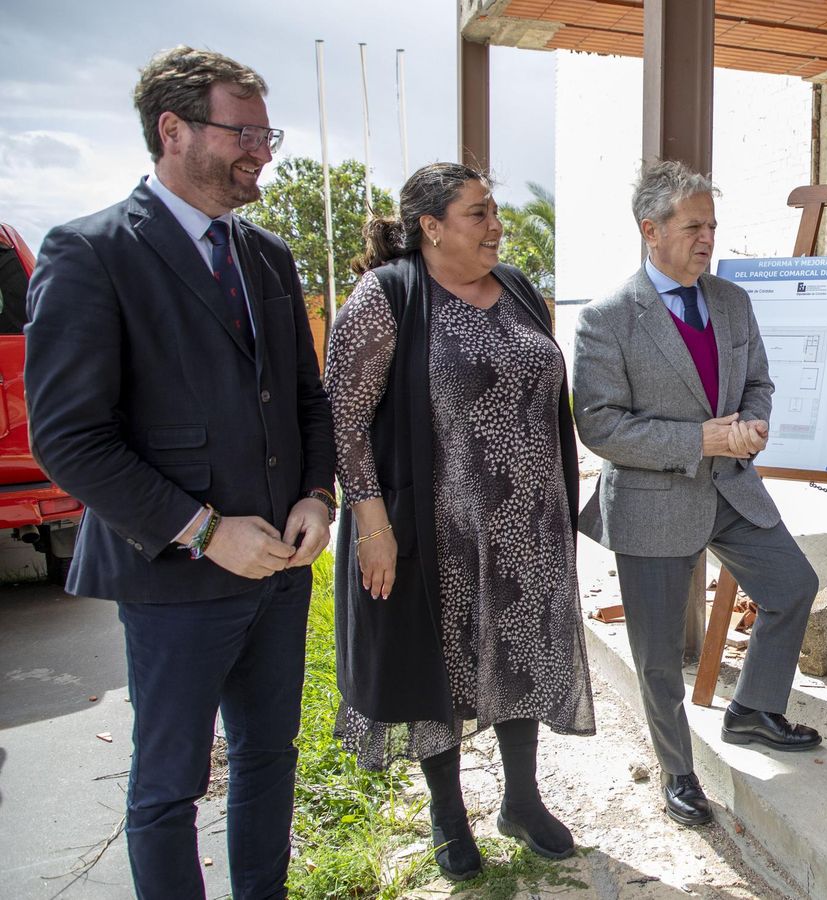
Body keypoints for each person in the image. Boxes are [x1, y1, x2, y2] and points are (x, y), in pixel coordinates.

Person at [23, 47, 334, 900]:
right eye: (245, 132)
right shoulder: (90, 253)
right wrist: (204, 531)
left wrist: (317, 493)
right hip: (173, 580)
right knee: (169, 789)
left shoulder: (266, 255)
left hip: (279, 573)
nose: (263, 152)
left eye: (267, 133)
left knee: (270, 759)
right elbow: (69, 438)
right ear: (173, 129)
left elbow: (310, 400)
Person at [325, 162, 594, 881]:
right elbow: (344, 422)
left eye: (494, 210)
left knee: (517, 657)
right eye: (478, 213)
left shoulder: (518, 291)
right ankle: (448, 814)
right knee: (435, 668)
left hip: (525, 528)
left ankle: (522, 800)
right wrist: (373, 527)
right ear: (431, 227)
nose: (495, 224)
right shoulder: (385, 298)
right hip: (434, 534)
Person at [573, 160, 822, 828]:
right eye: (694, 226)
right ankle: (678, 773)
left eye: (712, 224)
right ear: (651, 231)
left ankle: (752, 710)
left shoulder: (732, 302)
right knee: (657, 655)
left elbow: (758, 381)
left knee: (794, 585)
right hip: (653, 502)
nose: (708, 237)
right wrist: (700, 440)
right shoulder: (607, 318)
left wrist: (754, 422)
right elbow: (600, 425)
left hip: (731, 490)